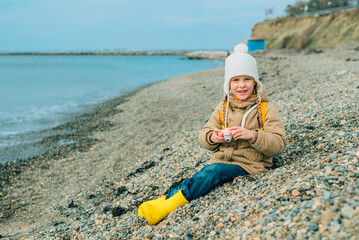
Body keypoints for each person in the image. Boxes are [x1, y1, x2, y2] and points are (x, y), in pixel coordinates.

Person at [138, 43, 286, 225]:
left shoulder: (266, 109)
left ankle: (167, 207)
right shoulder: (222, 108)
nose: (241, 85)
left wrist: (252, 135)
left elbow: (279, 145)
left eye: (247, 79)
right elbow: (203, 136)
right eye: (235, 80)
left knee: (212, 171)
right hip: (222, 160)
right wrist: (213, 137)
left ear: (255, 82)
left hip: (250, 166)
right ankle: (164, 199)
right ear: (228, 84)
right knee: (203, 173)